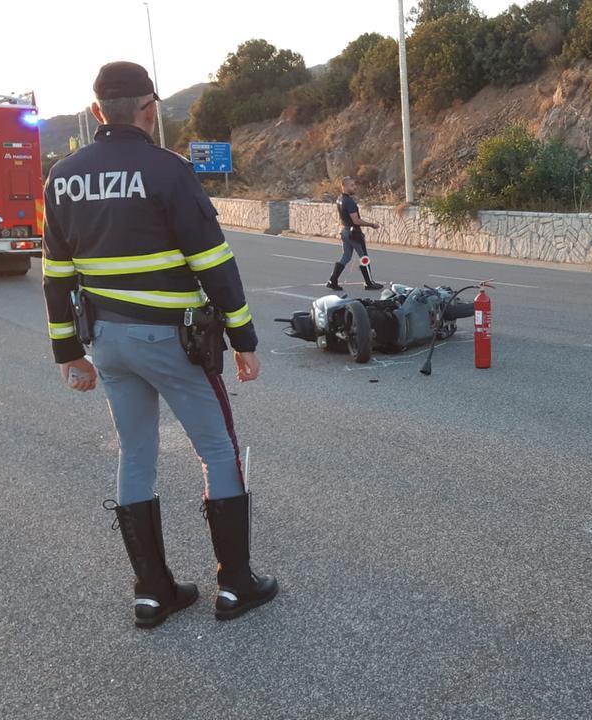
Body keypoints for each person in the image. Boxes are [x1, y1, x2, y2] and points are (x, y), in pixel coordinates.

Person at [42, 61, 278, 628]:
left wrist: (67, 353)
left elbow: (55, 275)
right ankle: (235, 584)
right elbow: (215, 264)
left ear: (97, 111)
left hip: (109, 344)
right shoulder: (167, 170)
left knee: (136, 453)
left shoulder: (63, 177)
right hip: (173, 341)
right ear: (150, 109)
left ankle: (152, 592)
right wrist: (244, 339)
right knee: (217, 449)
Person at [326, 176, 383, 291]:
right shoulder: (349, 201)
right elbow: (356, 220)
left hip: (345, 231)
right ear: (344, 186)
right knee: (364, 257)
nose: (354, 187)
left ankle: (332, 280)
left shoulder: (339, 199)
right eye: (351, 185)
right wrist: (371, 224)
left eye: (354, 184)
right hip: (354, 233)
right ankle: (369, 283)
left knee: (346, 256)